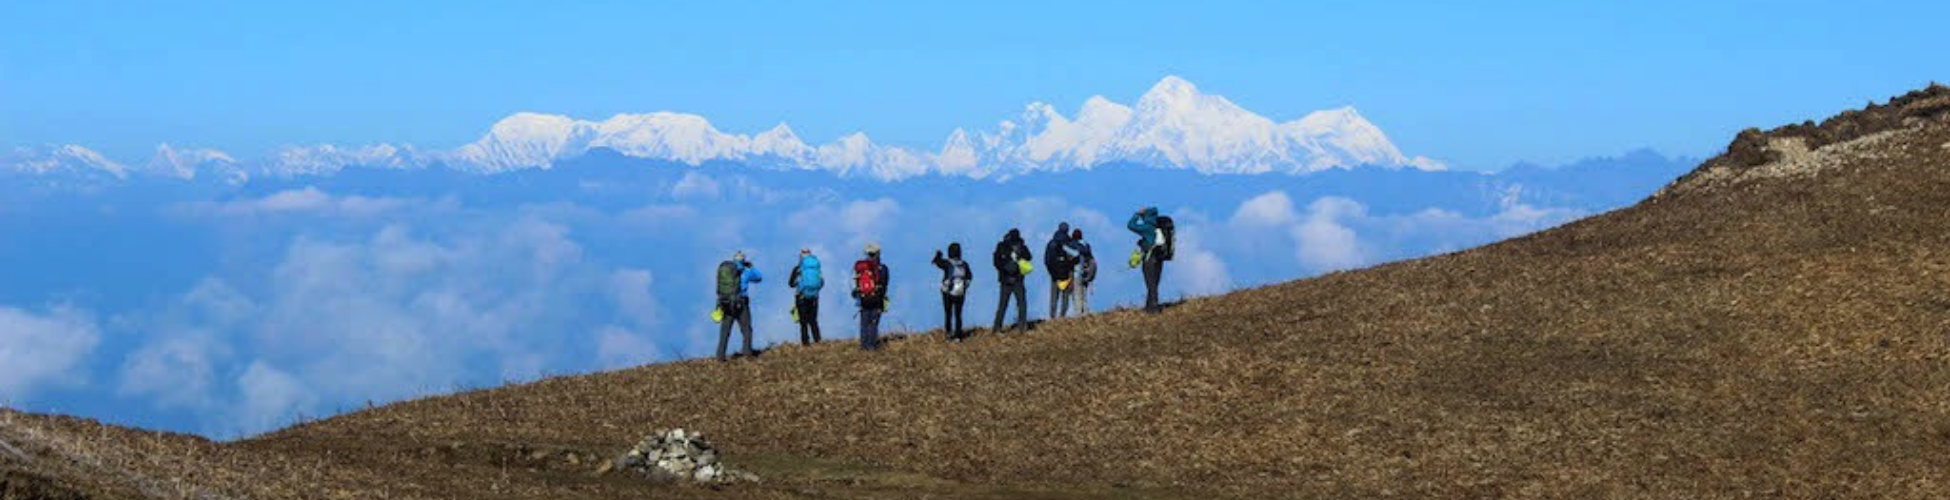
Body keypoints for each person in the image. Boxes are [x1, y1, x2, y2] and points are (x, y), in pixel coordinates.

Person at [715, 251, 763, 362]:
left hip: (726, 303)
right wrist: (751, 267)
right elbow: (759, 277)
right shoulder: (745, 271)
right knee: (746, 329)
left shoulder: (726, 270)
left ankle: (720, 356)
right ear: (743, 260)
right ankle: (747, 353)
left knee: (725, 331)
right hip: (741, 303)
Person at [991, 228, 1033, 334]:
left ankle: (997, 328)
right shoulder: (1021, 246)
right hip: (1017, 279)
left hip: (1006, 280)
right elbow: (1029, 257)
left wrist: (1003, 269)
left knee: (1003, 305)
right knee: (1021, 303)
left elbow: (996, 262)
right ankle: (1022, 327)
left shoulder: (1001, 246)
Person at [1128, 207, 1169, 314]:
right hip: (1159, 259)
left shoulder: (1147, 227)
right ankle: (1149, 307)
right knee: (1154, 283)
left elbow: (1131, 225)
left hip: (1149, 259)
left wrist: (1137, 214)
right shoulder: (1159, 227)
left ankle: (1154, 308)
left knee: (1150, 284)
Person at [852, 243, 891, 351]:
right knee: (873, 324)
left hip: (864, 299)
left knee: (864, 324)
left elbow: (855, 284)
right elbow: (884, 285)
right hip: (877, 300)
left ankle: (863, 346)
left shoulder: (860, 268)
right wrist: (881, 299)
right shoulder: (882, 268)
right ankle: (871, 347)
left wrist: (858, 295)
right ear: (878, 254)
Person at [932, 243, 973, 341]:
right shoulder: (964, 264)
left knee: (948, 313)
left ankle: (949, 334)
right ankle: (958, 336)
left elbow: (936, 262)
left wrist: (938, 255)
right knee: (958, 314)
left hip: (947, 291)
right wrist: (964, 287)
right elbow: (970, 276)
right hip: (960, 291)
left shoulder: (947, 263)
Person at [786, 248, 823, 346]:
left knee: (803, 322)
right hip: (814, 296)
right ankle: (818, 340)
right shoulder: (816, 267)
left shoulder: (798, 268)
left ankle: (805, 343)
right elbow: (821, 282)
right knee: (813, 320)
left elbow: (791, 284)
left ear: (801, 256)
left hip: (801, 296)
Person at [1044, 222, 1080, 319]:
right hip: (1066, 273)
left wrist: (1051, 272)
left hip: (1054, 275)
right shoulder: (1070, 242)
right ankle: (1062, 316)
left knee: (1054, 297)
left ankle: (1052, 316)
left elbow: (1047, 260)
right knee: (1065, 296)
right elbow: (1077, 257)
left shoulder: (1051, 243)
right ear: (1067, 230)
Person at [1070, 228, 1096, 316]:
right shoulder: (1086, 245)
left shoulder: (1072, 245)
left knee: (1077, 294)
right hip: (1086, 272)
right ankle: (1085, 312)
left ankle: (1078, 314)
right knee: (1084, 294)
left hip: (1076, 272)